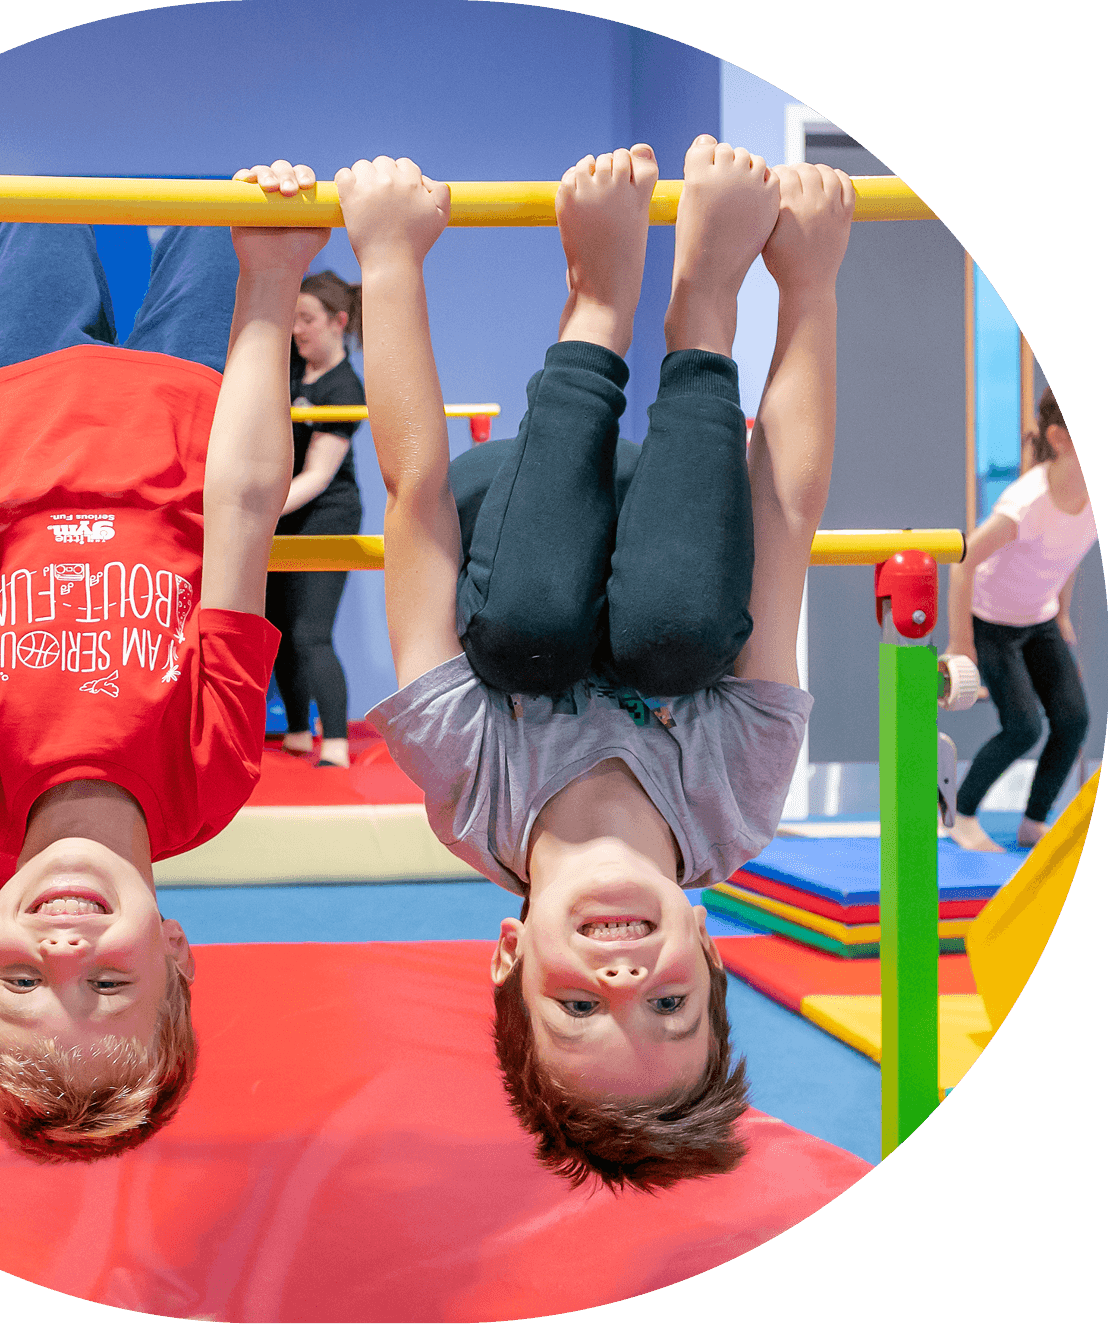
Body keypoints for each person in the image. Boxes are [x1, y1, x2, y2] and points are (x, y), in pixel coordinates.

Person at [341, 139, 853, 1190]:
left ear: (509, 956)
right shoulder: (735, 799)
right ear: (706, 951)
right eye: (667, 1004)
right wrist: (808, 284)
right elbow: (784, 521)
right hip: (673, 510)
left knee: (525, 640)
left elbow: (416, 499)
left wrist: (388, 260)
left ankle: (598, 300)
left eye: (578, 1006)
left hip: (507, 516)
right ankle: (702, 304)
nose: (623, 976)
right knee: (677, 639)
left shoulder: (472, 792)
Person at [0, 150, 329, 1160]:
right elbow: (244, 507)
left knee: (34, 191)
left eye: (23, 981)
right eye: (106, 985)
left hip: (17, 396)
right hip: (196, 406)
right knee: (234, 204)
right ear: (175, 954)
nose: (64, 950)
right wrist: (273, 285)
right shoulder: (208, 776)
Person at [944, 387, 1095, 851]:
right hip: (991, 622)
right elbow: (963, 564)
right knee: (1023, 727)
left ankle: (1033, 822)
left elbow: (1067, 557)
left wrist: (1062, 614)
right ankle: (959, 813)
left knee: (1073, 719)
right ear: (1060, 438)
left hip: (1039, 619)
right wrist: (962, 643)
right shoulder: (1026, 503)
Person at [268, 271, 366, 768]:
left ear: (338, 322)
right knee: (277, 629)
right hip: (282, 508)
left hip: (326, 512)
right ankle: (298, 731)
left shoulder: (344, 386)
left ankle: (337, 744)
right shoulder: (288, 365)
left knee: (310, 631)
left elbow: (318, 476)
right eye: (293, 319)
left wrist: (256, 513)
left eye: (306, 319)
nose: (297, 329)